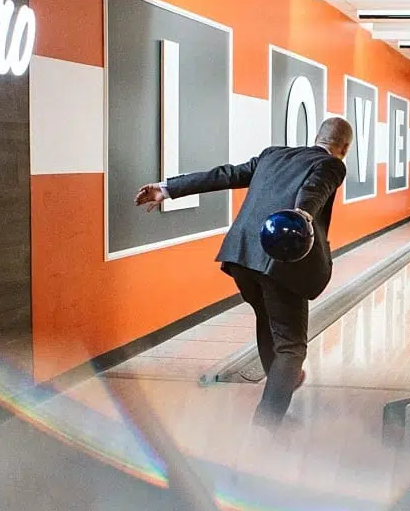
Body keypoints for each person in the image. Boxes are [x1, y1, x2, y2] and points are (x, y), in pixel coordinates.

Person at [135, 118, 352, 428]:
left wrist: (168, 189)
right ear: (344, 148)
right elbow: (315, 189)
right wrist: (301, 213)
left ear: (316, 136)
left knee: (267, 321)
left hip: (242, 256)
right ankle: (266, 424)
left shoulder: (273, 154)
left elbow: (226, 174)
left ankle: (280, 386)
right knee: (291, 347)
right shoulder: (333, 165)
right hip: (280, 261)